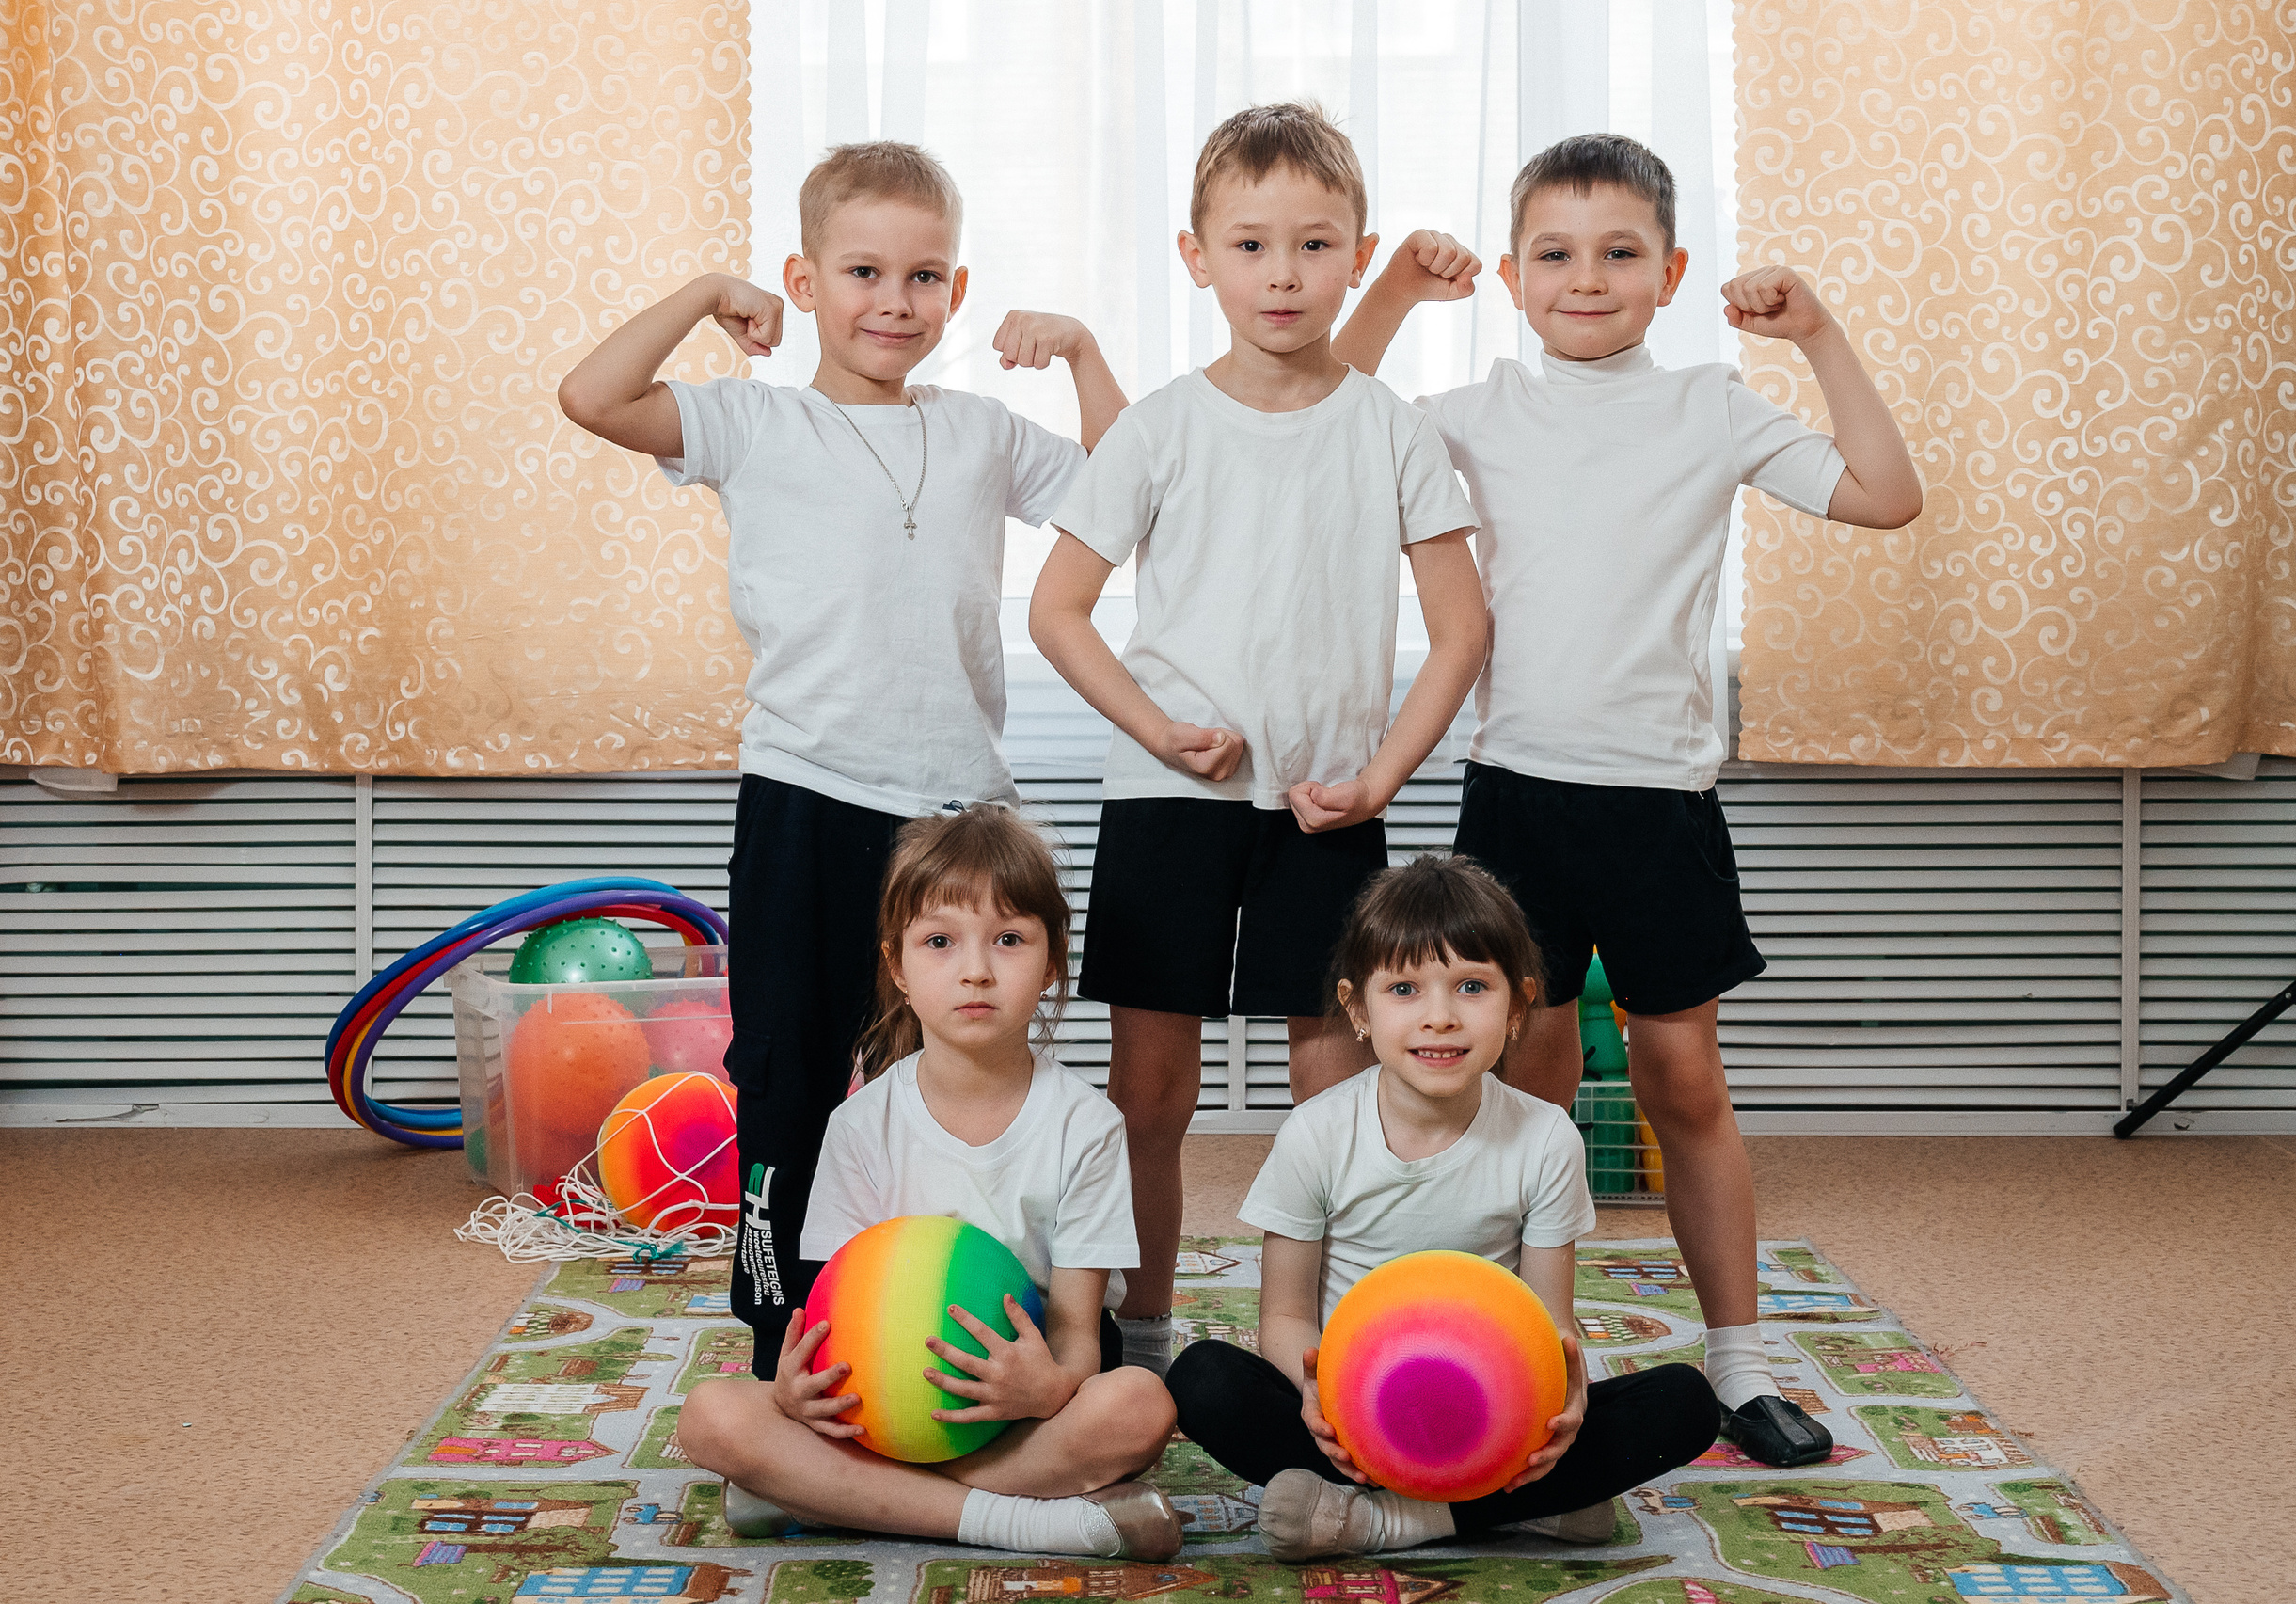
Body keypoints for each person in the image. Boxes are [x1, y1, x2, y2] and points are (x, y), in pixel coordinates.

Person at [1331, 133, 1924, 1467]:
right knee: (1519, 1094)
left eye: (1619, 254)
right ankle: (1525, 1342)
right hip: (1517, 799)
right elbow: (1321, 433)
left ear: (1671, 273)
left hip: (1661, 804)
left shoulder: (1710, 403)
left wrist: (1818, 333)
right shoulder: (1476, 411)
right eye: (1554, 252)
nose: (1585, 278)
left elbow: (1888, 496)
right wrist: (1390, 301)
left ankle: (1741, 1363)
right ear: (1511, 272)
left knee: (1684, 1080)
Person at [557, 141, 1129, 1378]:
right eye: (863, 270)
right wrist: (708, 293)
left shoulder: (980, 433)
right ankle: (784, 1322)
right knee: (790, 1062)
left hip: (960, 816)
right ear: (803, 281)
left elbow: (1132, 498)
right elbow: (592, 396)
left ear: (956, 293)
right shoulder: (751, 419)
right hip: (807, 796)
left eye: (924, 276)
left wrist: (1084, 353)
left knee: (967, 1064)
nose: (894, 301)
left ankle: (975, 1306)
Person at [1029, 103, 1490, 1375]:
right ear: (1198, 258)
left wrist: (1379, 781)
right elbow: (1056, 610)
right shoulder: (1160, 428)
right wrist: (1162, 732)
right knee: (1150, 1101)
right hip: (1164, 803)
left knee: (1339, 1102)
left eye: (1314, 245)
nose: (1282, 274)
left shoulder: (1388, 426)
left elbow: (1460, 630)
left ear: (1359, 254)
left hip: (1326, 811)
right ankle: (1143, 1337)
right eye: (1250, 246)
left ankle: (1338, 1342)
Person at [1166, 855, 1719, 1561]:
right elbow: (1283, 1316)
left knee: (1686, 1401)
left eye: (1471, 986)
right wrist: (1313, 1395)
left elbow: (1550, 1319)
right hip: (1352, 1414)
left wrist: (1568, 1399)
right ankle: (1532, 1511)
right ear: (1358, 1008)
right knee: (1202, 1377)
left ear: (1517, 1006)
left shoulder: (1546, 1137)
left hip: (1494, 1416)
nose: (1440, 1016)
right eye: (1404, 987)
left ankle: (1386, 1521)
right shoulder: (1316, 1132)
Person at [677, 804, 1182, 1559]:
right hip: (880, 1414)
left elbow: (1077, 1335)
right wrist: (793, 1390)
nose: (975, 968)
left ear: (1051, 964)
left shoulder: (1088, 1125)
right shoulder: (860, 1125)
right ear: (898, 966)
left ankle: (836, 1499)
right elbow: (835, 1314)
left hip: (1020, 1412)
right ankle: (1013, 1517)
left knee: (1141, 1405)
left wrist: (1046, 1387)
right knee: (710, 1416)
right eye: (940, 941)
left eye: (1008, 939)